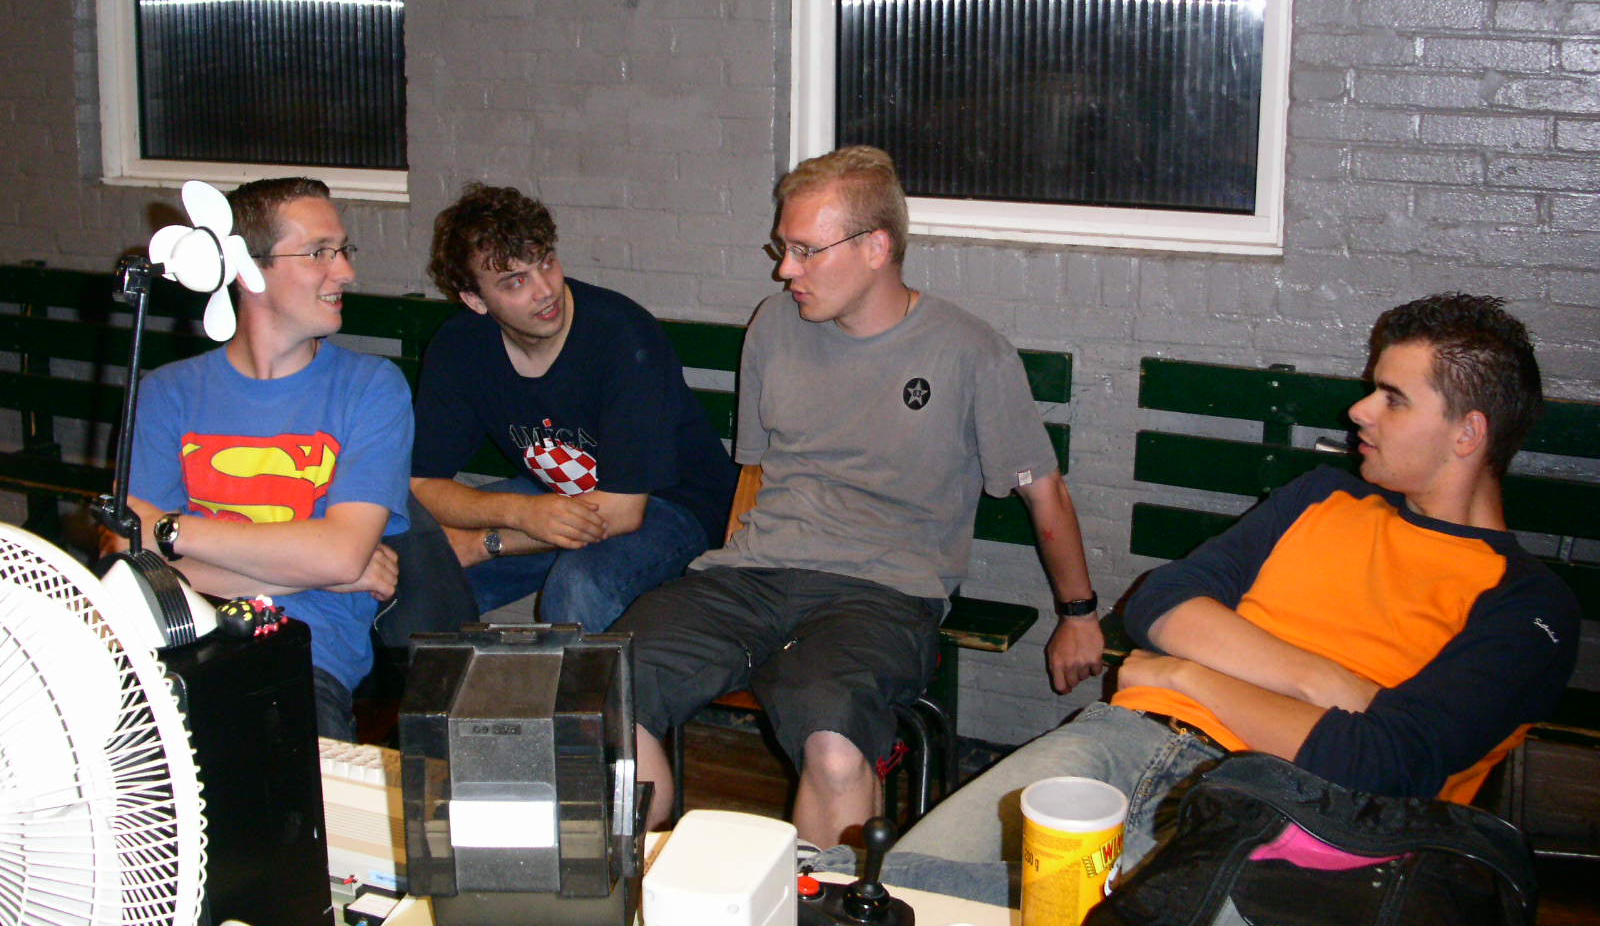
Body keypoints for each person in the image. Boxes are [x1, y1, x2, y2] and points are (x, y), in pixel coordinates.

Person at [868, 292, 1580, 906]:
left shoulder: (1528, 609)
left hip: (1290, 809)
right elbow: (1161, 602)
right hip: (1121, 742)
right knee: (901, 891)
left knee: (987, 902)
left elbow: (1381, 763)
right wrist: (1324, 685)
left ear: (1467, 433)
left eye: (1393, 398)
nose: (1359, 409)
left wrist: (1186, 675)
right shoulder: (1324, 496)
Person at [617, 146, 1105, 846]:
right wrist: (730, 568)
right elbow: (754, 473)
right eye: (783, 249)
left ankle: (829, 895)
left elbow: (1042, 489)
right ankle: (630, 883)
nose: (785, 270)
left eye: (805, 251)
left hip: (883, 592)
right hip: (754, 575)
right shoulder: (774, 324)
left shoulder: (969, 351)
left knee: (835, 745)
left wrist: (1079, 614)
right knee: (610, 691)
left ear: (876, 248)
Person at [113, 177, 413, 741]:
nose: (346, 272)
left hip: (301, 660)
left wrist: (171, 532)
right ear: (248, 269)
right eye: (319, 252)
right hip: (172, 644)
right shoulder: (168, 391)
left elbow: (342, 554)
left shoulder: (371, 388)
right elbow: (126, 557)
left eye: (343, 249)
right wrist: (309, 570)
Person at [408, 183, 736, 630]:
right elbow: (423, 483)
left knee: (580, 584)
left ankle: (593, 681)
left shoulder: (620, 335)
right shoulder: (460, 347)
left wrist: (488, 542)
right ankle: (439, 677)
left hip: (676, 508)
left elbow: (623, 513)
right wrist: (520, 514)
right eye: (515, 281)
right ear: (475, 300)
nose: (545, 290)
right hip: (555, 501)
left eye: (546, 262)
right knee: (420, 568)